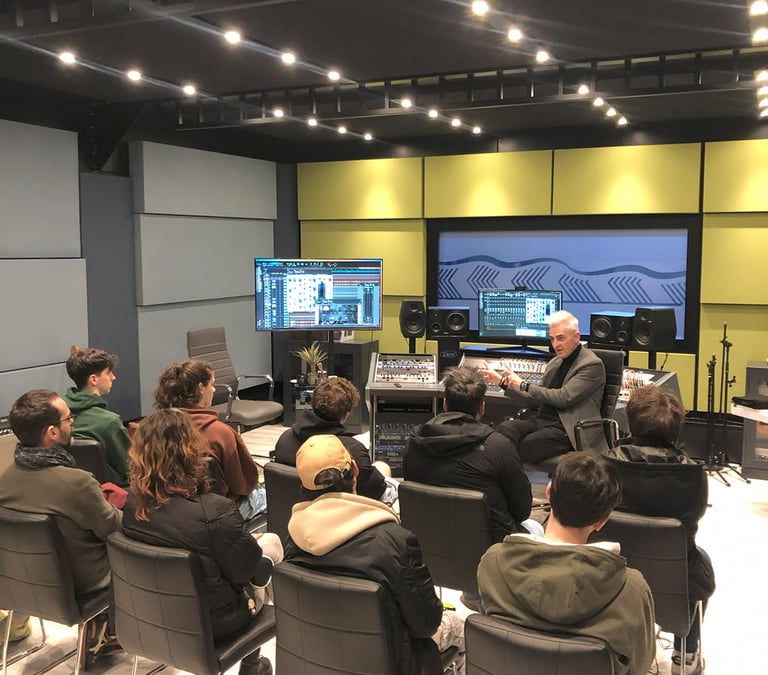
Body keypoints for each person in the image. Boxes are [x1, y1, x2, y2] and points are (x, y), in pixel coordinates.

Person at [286, 435, 465, 675]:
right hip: (395, 664)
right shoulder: (396, 541)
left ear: (303, 487)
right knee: (460, 627)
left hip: (320, 658)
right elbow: (427, 623)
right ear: (355, 471)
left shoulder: (293, 539)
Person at [122, 409, 283, 675]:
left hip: (150, 616)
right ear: (190, 450)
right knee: (272, 544)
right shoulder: (215, 511)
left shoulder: (132, 504)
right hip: (216, 623)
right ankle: (256, 662)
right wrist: (249, 545)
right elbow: (248, 572)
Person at [478, 452, 656, 675]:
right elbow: (639, 666)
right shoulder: (632, 589)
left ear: (548, 492)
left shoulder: (492, 563)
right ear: (602, 521)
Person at [0, 390, 122, 663]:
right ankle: (111, 635)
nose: (72, 423)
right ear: (52, 432)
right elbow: (115, 528)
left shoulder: (5, 480)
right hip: (82, 585)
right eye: (68, 419)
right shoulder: (77, 483)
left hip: (21, 585)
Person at [607, 386, 715, 675]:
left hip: (612, 572)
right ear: (676, 432)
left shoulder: (606, 463)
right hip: (675, 576)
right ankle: (686, 655)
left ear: (630, 425)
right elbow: (694, 517)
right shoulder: (692, 475)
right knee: (700, 561)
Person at [404, 365, 539, 543]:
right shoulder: (499, 447)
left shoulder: (414, 442)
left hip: (429, 542)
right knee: (535, 527)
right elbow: (522, 511)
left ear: (444, 404)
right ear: (482, 408)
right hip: (491, 549)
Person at [482, 310, 606, 463]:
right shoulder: (555, 362)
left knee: (525, 446)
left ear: (576, 337)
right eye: (552, 339)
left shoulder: (591, 365)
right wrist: (502, 383)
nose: (555, 344)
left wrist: (523, 384)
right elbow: (536, 399)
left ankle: (504, 476)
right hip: (543, 421)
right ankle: (502, 475)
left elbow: (563, 397)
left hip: (570, 428)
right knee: (504, 431)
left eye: (560, 338)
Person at [153, 360, 266, 519]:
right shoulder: (220, 433)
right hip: (216, 515)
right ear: (201, 388)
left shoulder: (152, 429)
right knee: (270, 495)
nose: (213, 390)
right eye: (212, 385)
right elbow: (243, 486)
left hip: (166, 511)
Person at [275, 376, 397, 504]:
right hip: (344, 513)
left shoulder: (285, 440)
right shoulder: (351, 450)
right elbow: (377, 491)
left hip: (295, 511)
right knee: (382, 466)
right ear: (346, 415)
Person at [62, 347, 131, 487]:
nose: (113, 377)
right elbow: (130, 468)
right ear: (94, 379)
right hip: (113, 492)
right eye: (108, 372)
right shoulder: (109, 422)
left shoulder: (57, 415)